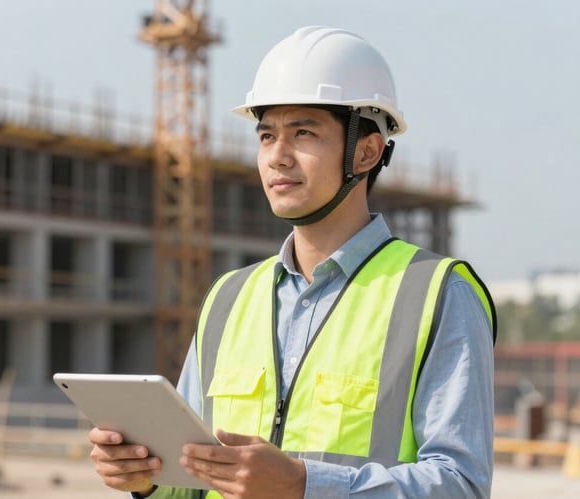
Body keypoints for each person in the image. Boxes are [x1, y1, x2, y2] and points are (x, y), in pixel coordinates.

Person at [89, 26, 496, 498]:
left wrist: (304, 486)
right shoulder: (227, 298)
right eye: (266, 136)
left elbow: (461, 485)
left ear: (366, 151)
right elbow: (193, 480)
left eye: (303, 132)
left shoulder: (438, 294)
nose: (276, 157)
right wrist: (148, 478)